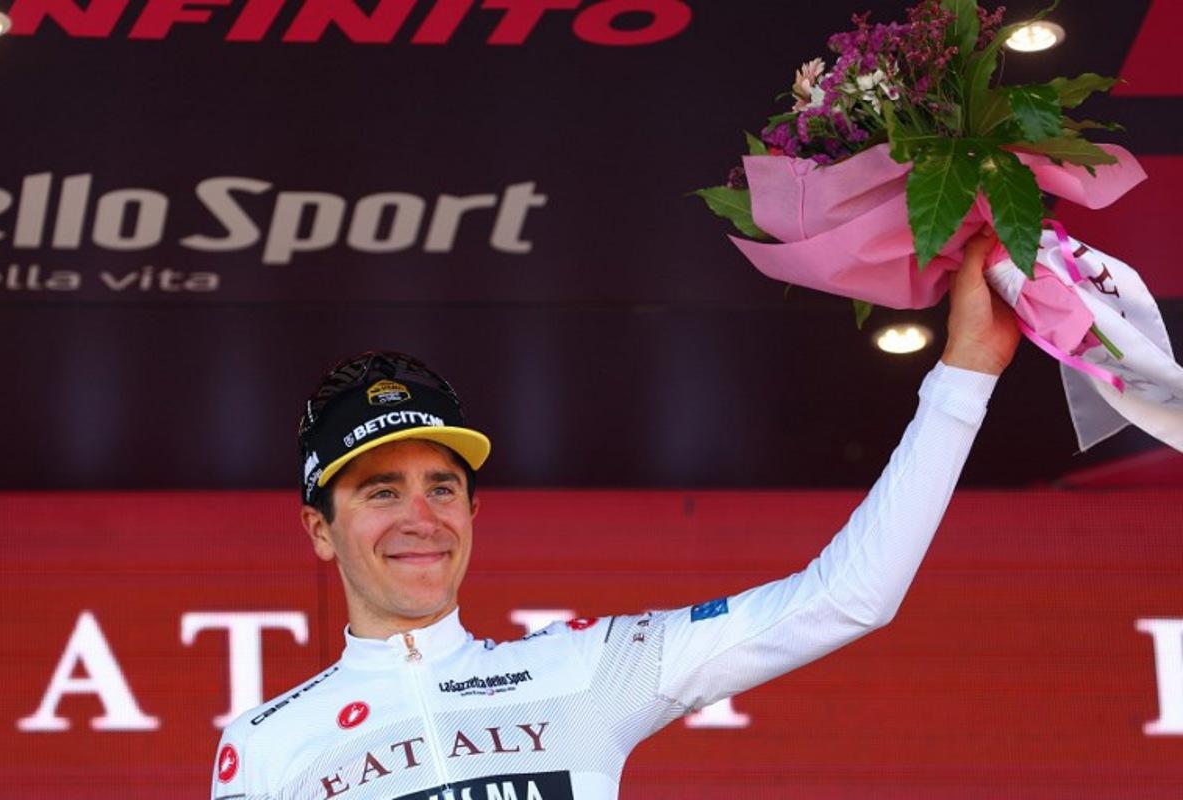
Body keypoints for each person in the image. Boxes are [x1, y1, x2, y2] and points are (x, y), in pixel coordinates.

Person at [210, 233, 1020, 800]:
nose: (419, 517)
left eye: (442, 487)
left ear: (474, 510)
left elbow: (847, 598)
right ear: (321, 529)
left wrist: (966, 374)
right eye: (381, 492)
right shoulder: (266, 744)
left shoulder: (583, 669)